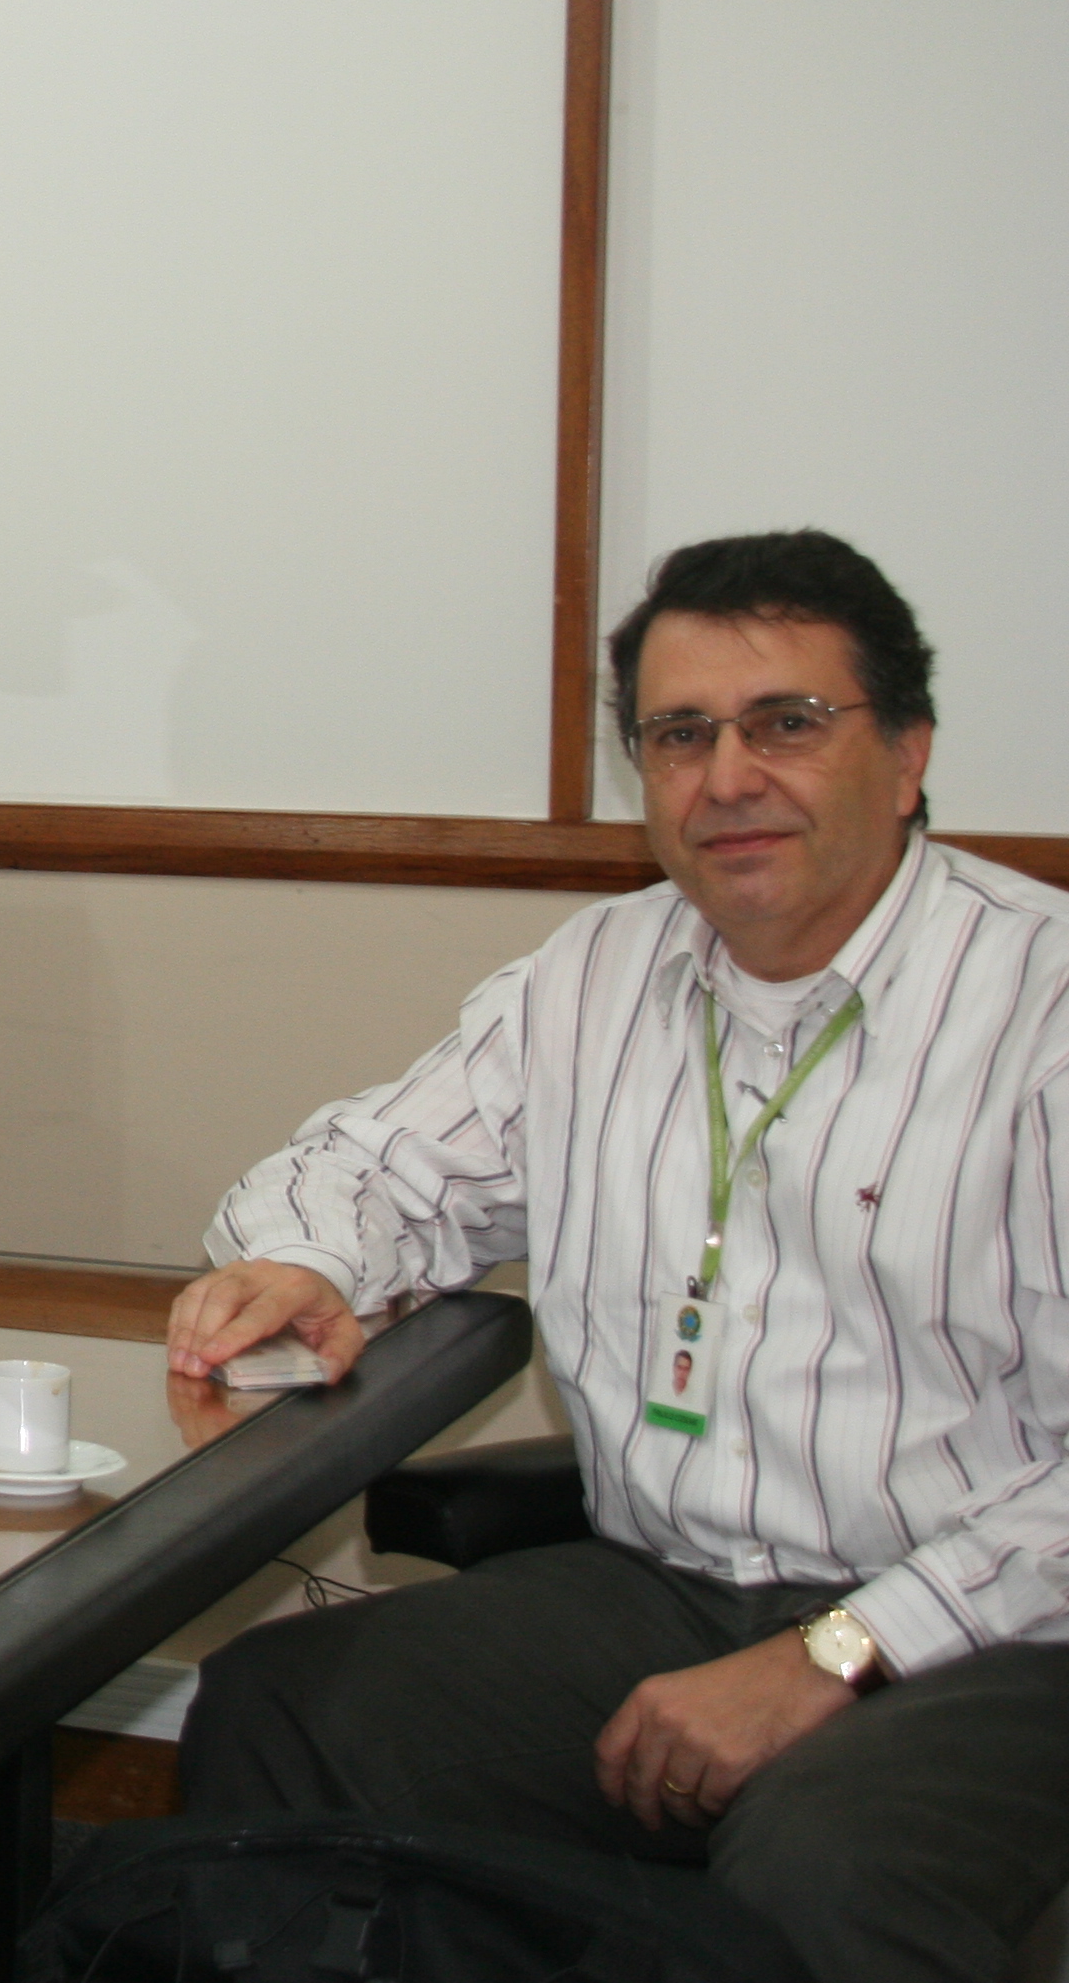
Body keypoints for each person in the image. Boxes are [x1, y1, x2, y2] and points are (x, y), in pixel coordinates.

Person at [166, 530, 1069, 1983]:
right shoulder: (597, 974)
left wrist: (839, 1650)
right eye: (680, 735)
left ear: (906, 755)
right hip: (666, 1585)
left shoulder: (1042, 1003)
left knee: (818, 1873)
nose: (729, 778)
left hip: (994, 1631)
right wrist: (313, 1262)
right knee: (287, 1711)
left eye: (788, 724)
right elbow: (371, 1167)